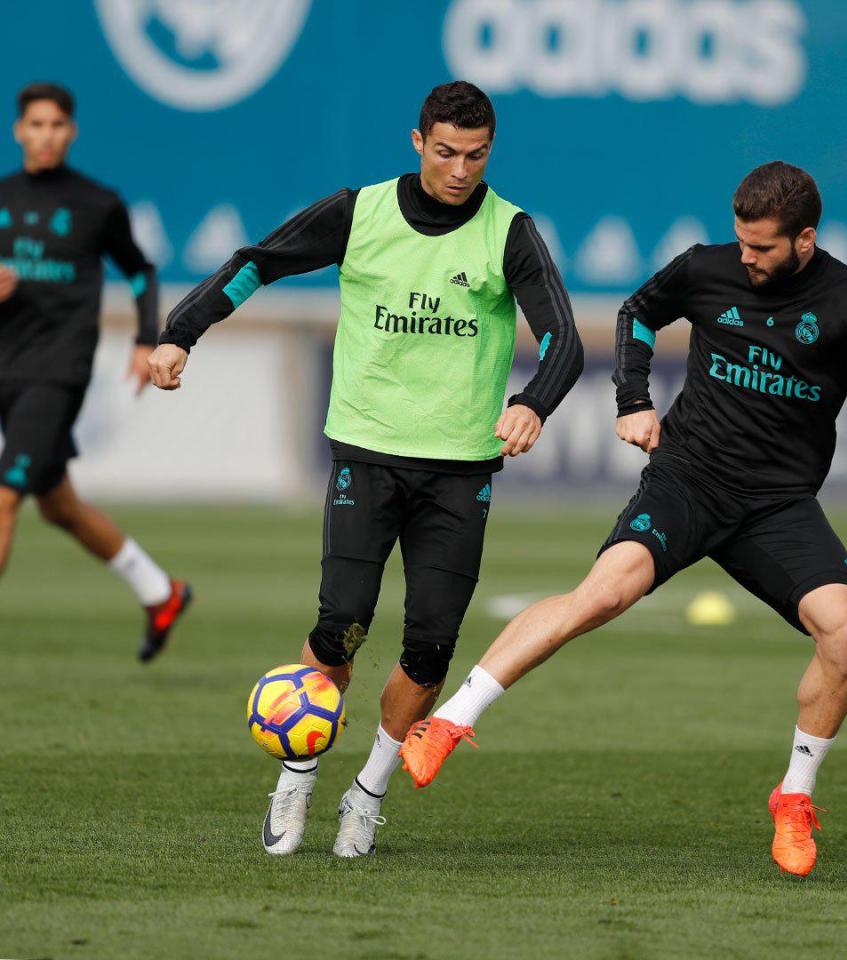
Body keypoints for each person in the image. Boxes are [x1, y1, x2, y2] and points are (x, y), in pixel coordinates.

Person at [399, 161, 847, 878]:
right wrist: (633, 399)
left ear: (805, 240)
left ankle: (794, 797)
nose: (745, 258)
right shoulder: (706, 269)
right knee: (602, 593)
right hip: (688, 480)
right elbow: (636, 313)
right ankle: (449, 720)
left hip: (777, 505)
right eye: (740, 242)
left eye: (763, 248)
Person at [149, 81, 583, 858]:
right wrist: (183, 332)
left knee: (430, 646)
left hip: (461, 471)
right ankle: (298, 776)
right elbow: (260, 262)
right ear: (416, 142)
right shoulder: (361, 212)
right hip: (367, 454)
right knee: (339, 625)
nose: (459, 169)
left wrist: (534, 402)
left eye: (476, 155)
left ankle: (368, 792)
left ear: (492, 151)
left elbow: (563, 340)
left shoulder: (509, 230)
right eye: (445, 152)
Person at [0, 82, 191, 661]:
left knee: (6, 495)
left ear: (71, 130)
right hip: (8, 367)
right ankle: (161, 592)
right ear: (18, 131)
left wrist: (143, 338)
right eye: (36, 124)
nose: (46, 135)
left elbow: (139, 271)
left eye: (57, 124)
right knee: (57, 505)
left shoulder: (95, 202)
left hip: (58, 370)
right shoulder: (2, 195)